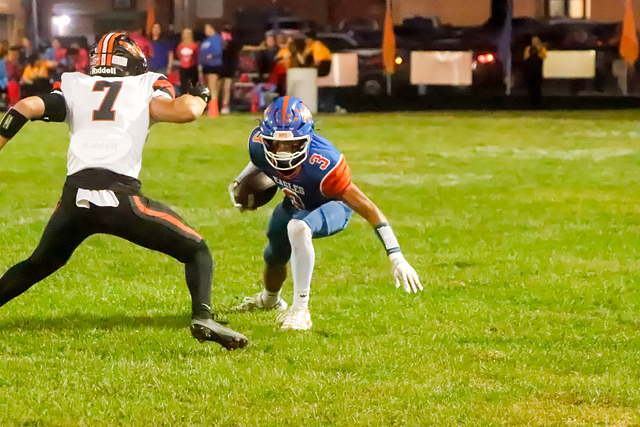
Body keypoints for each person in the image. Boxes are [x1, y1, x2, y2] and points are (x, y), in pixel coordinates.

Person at [0, 32, 247, 351]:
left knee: (40, 263)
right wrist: (200, 96)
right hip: (120, 198)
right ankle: (203, 316)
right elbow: (186, 110)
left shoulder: (77, 85)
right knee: (196, 250)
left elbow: (26, 105)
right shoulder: (144, 84)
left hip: (75, 198)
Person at [229, 96, 421, 330]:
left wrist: (396, 256)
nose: (283, 152)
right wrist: (240, 180)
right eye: (276, 144)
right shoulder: (259, 144)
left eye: (291, 145)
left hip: (331, 205)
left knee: (298, 228)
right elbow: (260, 160)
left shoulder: (325, 163)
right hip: (295, 202)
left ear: (306, 140)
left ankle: (301, 310)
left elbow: (368, 207)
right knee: (274, 252)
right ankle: (270, 300)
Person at [198, 23, 223, 117]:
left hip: (213, 65)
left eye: (208, 29)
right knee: (208, 88)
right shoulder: (206, 40)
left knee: (213, 88)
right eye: (205, 29)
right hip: (206, 66)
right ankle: (210, 108)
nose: (206, 31)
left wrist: (211, 56)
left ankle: (213, 110)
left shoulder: (217, 38)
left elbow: (218, 50)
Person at [219, 25, 241, 114]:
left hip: (228, 67)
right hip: (220, 67)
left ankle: (225, 105)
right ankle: (217, 105)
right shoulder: (219, 42)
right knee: (219, 88)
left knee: (226, 88)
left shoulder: (233, 43)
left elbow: (235, 54)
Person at [170, 28, 199, 96]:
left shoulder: (194, 45)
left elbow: (196, 55)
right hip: (183, 68)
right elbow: (179, 55)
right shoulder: (180, 46)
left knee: (193, 85)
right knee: (183, 86)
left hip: (192, 67)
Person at [523, 36, 546, 108]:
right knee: (530, 87)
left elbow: (543, 56)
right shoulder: (528, 48)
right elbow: (525, 57)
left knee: (538, 88)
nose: (535, 42)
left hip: (538, 71)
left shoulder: (541, 48)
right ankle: (531, 102)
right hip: (530, 71)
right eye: (533, 40)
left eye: (536, 40)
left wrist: (539, 49)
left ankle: (538, 103)